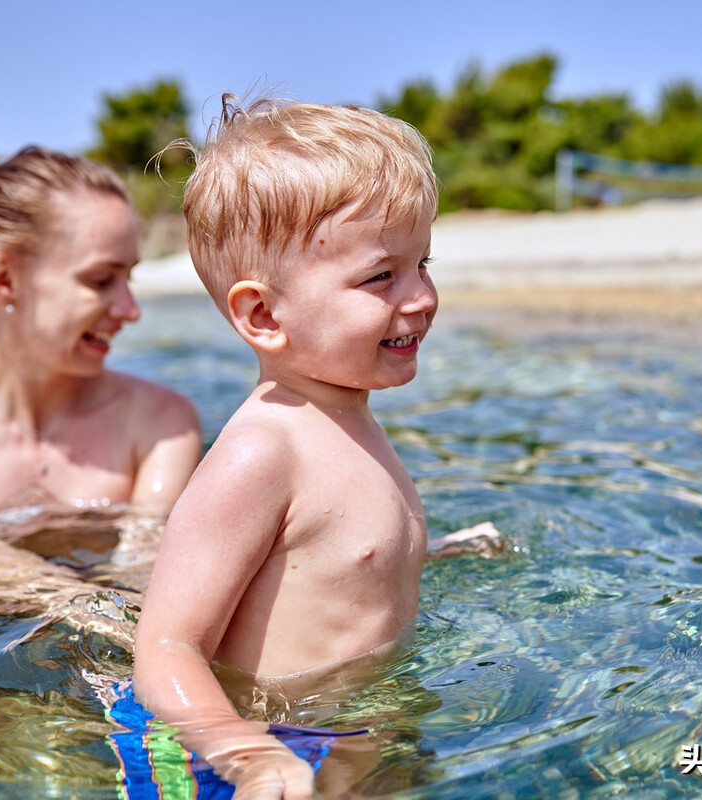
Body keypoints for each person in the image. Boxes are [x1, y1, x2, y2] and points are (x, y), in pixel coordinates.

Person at [131, 98, 500, 799]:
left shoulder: (346, 419)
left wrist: (438, 550)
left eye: (423, 262)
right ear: (264, 315)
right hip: (264, 748)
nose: (422, 297)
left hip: (358, 733)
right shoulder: (261, 452)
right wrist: (245, 755)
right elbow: (167, 647)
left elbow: (328, 563)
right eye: (380, 277)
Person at [0, 147, 202, 516]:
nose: (131, 310)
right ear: (3, 280)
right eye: (100, 280)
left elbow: (153, 564)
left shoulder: (161, 424)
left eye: (128, 278)